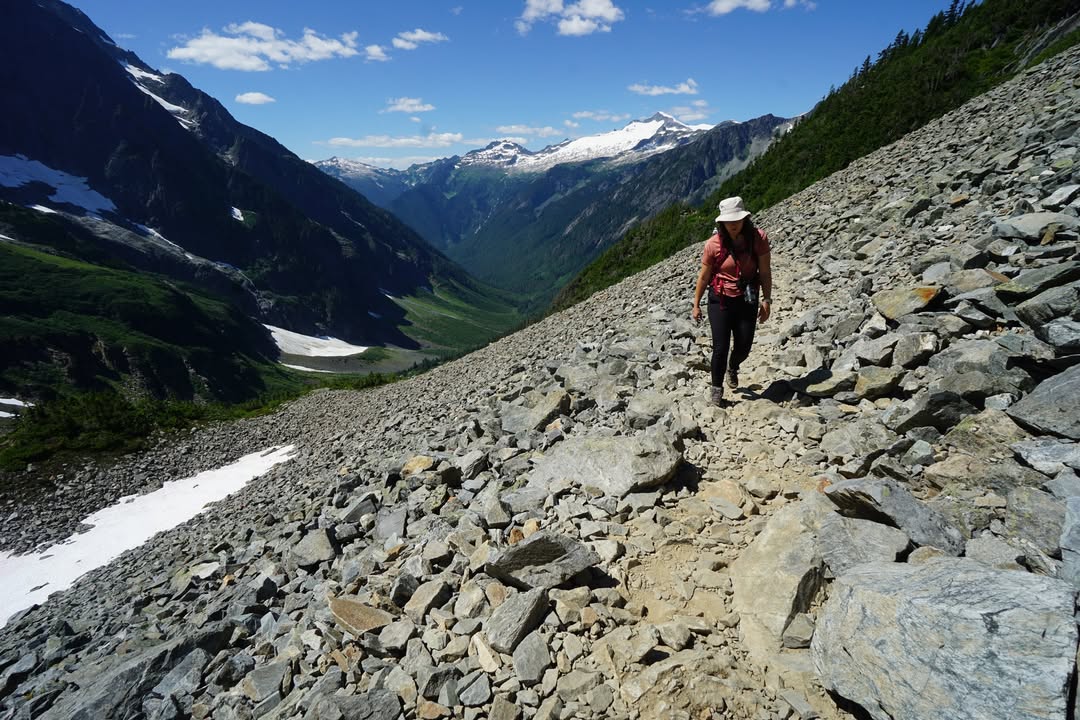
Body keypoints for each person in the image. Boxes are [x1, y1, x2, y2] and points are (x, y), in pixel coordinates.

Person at [691, 196, 772, 406]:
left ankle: (733, 366)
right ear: (722, 222)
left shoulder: (758, 238)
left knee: (744, 345)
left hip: (746, 298)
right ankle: (716, 389)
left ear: (745, 218)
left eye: (737, 219)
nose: (733, 224)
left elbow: (765, 271)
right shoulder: (713, 245)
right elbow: (704, 277)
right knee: (721, 347)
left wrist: (767, 300)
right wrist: (696, 304)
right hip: (720, 300)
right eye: (729, 221)